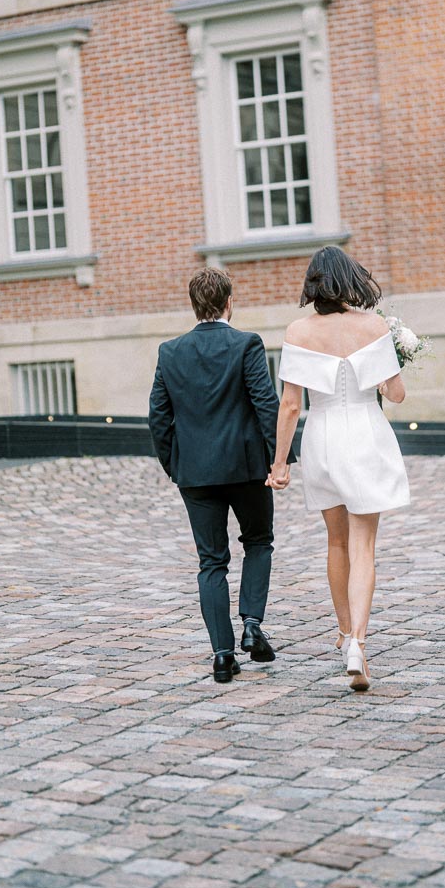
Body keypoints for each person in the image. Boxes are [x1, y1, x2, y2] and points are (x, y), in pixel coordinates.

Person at [267, 246, 409, 691]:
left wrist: (279, 466)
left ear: (312, 284)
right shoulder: (375, 326)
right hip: (365, 431)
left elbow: (291, 405)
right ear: (353, 279)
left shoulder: (298, 330)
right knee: (365, 546)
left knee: (336, 541)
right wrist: (395, 360)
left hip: (323, 435)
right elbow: (398, 395)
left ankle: (345, 631)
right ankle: (359, 647)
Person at [149, 266, 292, 684]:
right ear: (230, 302)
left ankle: (222, 655)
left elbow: (158, 417)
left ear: (194, 306)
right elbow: (266, 403)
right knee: (259, 542)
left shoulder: (169, 351)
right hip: (247, 469)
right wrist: (278, 459)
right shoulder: (247, 344)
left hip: (195, 473)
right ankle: (251, 622)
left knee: (211, 562)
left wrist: (174, 465)